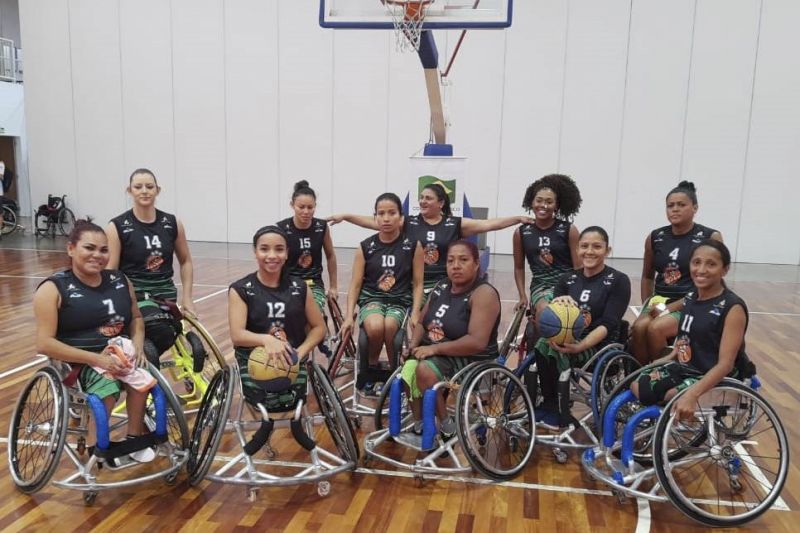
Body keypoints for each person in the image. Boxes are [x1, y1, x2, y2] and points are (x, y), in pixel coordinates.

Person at [33, 219, 155, 462]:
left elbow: (136, 318)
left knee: (143, 379)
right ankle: (96, 447)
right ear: (71, 249)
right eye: (89, 248)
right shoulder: (53, 289)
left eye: (103, 250)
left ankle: (134, 439)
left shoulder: (120, 280)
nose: (97, 255)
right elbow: (44, 344)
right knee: (107, 386)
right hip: (78, 362)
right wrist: (97, 359)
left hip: (117, 353)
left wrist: (138, 343)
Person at [328, 183, 532, 290]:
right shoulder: (408, 222)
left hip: (445, 282)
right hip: (414, 281)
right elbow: (374, 222)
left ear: (441, 203)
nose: (423, 201)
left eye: (428, 198)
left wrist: (516, 219)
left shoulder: (454, 224)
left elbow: (488, 224)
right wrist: (346, 216)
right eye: (421, 198)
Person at [631, 240, 751, 420]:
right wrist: (663, 360)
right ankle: (657, 425)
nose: (701, 269)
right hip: (685, 368)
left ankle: (675, 426)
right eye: (696, 262)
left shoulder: (733, 308)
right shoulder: (691, 298)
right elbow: (683, 340)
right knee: (637, 384)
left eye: (711, 264)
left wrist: (692, 395)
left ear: (725, 270)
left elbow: (725, 365)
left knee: (669, 395)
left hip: (711, 374)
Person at [532, 226, 631, 427]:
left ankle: (561, 411)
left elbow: (609, 323)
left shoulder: (619, 280)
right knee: (543, 343)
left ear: (607, 251)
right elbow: (554, 319)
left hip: (600, 347)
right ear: (577, 249)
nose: (589, 251)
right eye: (584, 246)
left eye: (597, 246)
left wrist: (581, 346)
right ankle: (547, 403)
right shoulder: (566, 280)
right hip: (570, 340)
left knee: (557, 352)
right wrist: (559, 304)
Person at [403, 240, 501, 438]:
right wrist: (412, 346)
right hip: (437, 353)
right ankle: (420, 421)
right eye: (450, 261)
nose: (456, 265)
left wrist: (434, 349)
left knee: (424, 370)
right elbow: (421, 322)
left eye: (463, 260)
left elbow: (477, 342)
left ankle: (446, 423)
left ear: (477, 263)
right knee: (408, 368)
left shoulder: (484, 293)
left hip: (470, 358)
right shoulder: (442, 286)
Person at [228, 225, 326, 407]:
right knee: (267, 404)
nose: (272, 255)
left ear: (287, 253)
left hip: (292, 358)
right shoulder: (240, 289)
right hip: (254, 358)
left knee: (293, 404)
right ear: (255, 252)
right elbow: (237, 335)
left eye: (279, 249)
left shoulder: (300, 287)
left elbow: (319, 327)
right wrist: (266, 340)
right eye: (264, 249)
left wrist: (300, 352)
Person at [106, 168, 196, 365]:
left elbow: (186, 261)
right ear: (129, 191)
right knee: (160, 330)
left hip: (165, 294)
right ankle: (143, 365)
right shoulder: (117, 226)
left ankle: (140, 362)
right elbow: (111, 270)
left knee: (168, 329)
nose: (144, 191)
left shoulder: (172, 223)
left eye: (149, 186)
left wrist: (187, 298)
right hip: (136, 295)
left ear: (158, 190)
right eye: (138, 187)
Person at [340, 193, 425, 395]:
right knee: (376, 326)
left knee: (390, 326)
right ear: (375, 217)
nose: (386, 218)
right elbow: (355, 285)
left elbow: (418, 284)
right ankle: (371, 368)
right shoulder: (365, 247)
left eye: (392, 213)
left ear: (401, 217)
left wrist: (415, 313)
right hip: (372, 298)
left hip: (399, 300)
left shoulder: (413, 245)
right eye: (381, 213)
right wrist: (348, 316)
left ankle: (393, 373)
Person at [630, 181, 722, 364]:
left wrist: (666, 309)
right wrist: (648, 305)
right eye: (670, 205)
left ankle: (664, 374)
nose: (675, 209)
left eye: (681, 205)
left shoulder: (709, 237)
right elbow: (647, 276)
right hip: (661, 301)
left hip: (693, 303)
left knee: (656, 329)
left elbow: (712, 283)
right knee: (639, 328)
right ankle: (639, 374)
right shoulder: (655, 237)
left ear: (695, 208)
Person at [513, 174, 583, 335]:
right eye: (539, 200)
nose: (543, 205)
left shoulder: (569, 229)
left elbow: (579, 267)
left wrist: (577, 291)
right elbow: (518, 267)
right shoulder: (521, 232)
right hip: (541, 285)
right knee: (545, 312)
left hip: (567, 284)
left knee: (568, 317)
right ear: (531, 202)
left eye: (549, 202)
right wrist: (522, 295)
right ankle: (543, 349)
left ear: (556, 206)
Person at [276, 180, 338, 312]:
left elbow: (331, 256)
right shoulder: (282, 228)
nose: (306, 211)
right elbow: (276, 259)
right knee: (291, 312)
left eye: (310, 207)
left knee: (311, 312)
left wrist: (333, 287)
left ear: (315, 206)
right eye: (301, 207)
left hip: (314, 284)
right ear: (292, 205)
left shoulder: (321, 227)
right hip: (288, 282)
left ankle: (319, 322)